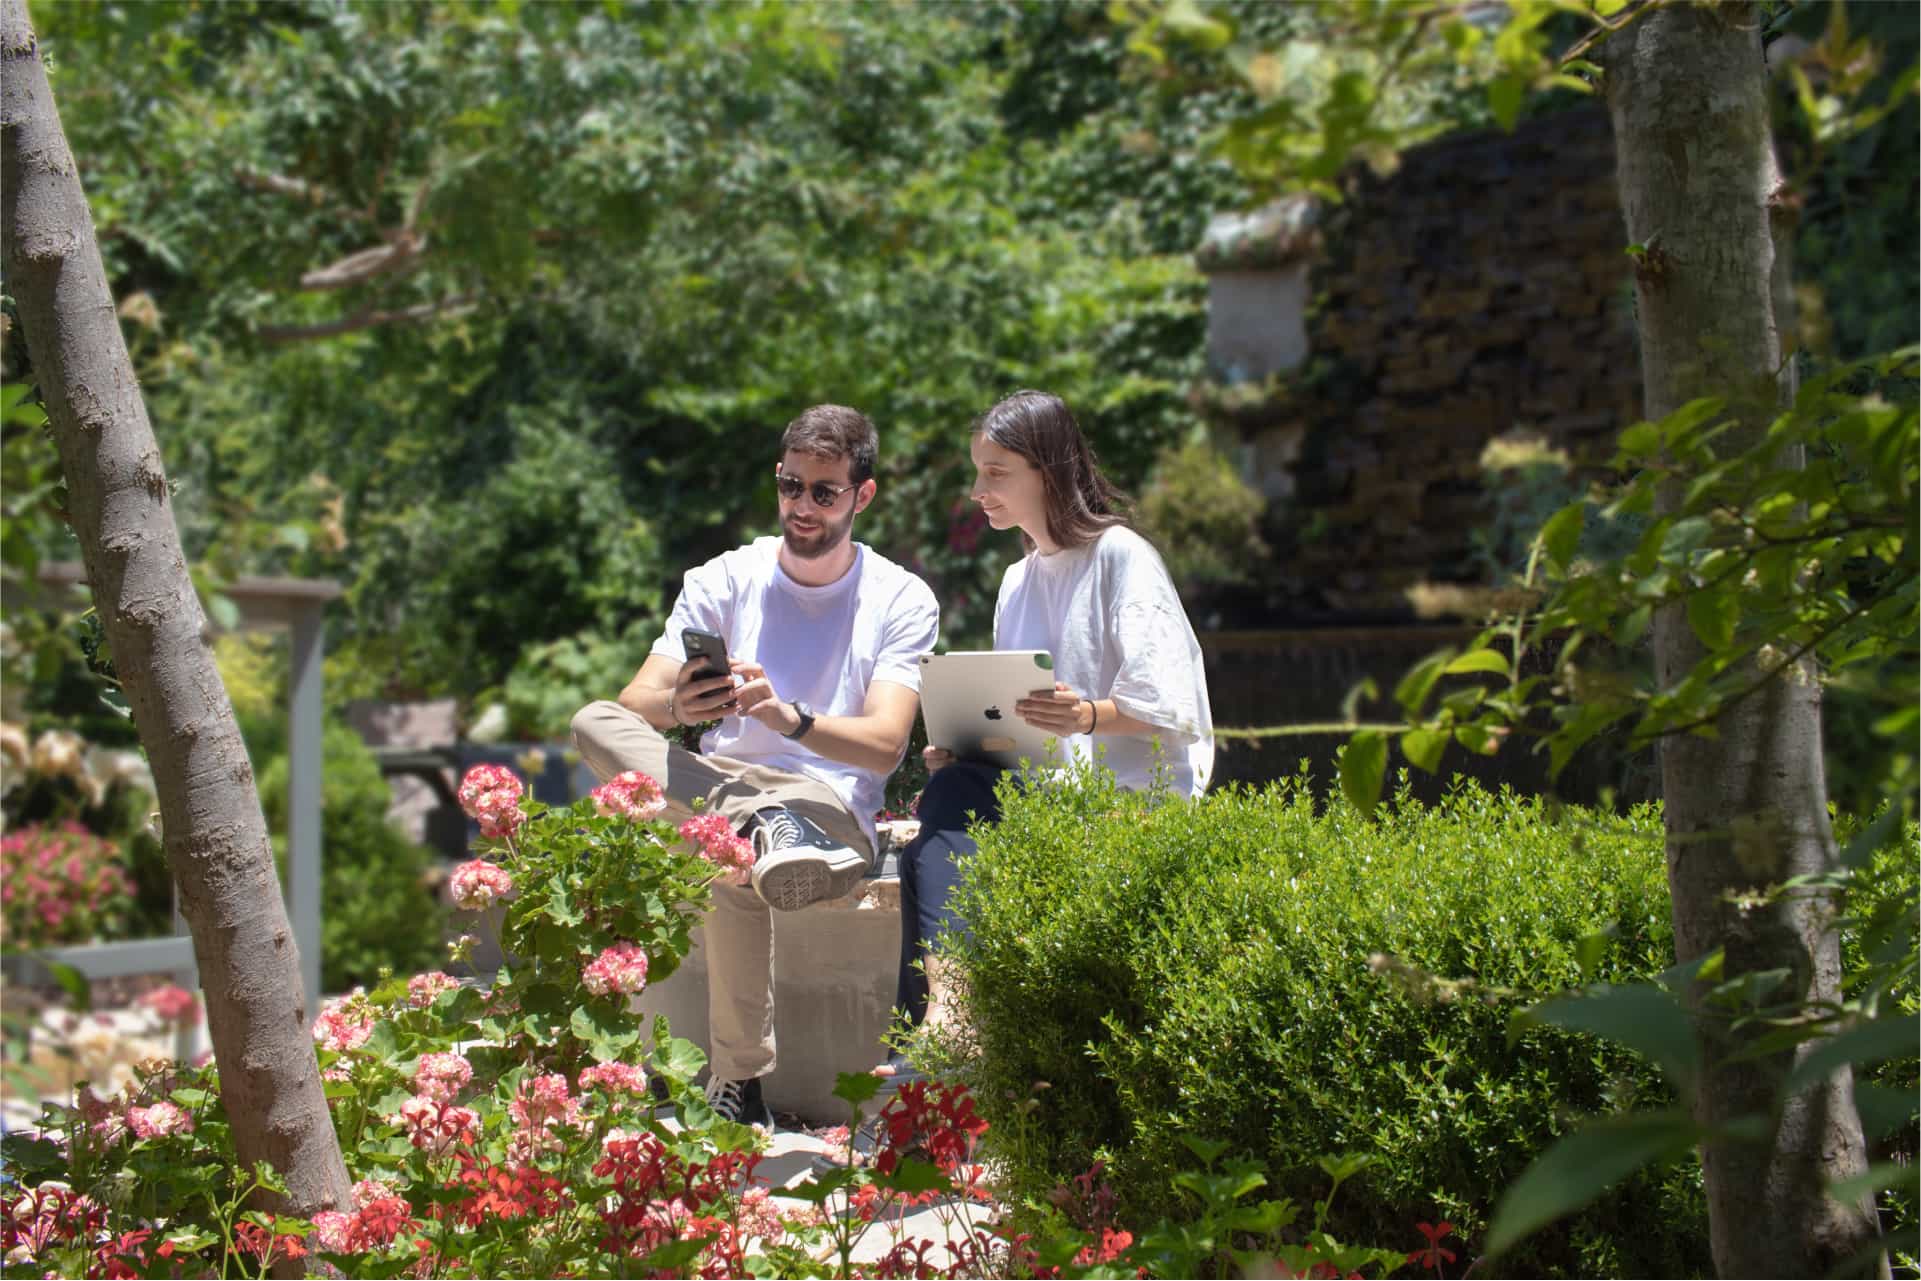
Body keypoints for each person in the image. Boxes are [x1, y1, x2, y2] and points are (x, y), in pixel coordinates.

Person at [572, 404, 939, 1131]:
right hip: (726, 791)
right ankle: (758, 824)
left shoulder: (900, 597)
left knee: (728, 852)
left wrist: (788, 718)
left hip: (824, 810)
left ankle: (739, 1084)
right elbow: (634, 703)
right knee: (593, 720)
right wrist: (678, 704)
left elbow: (886, 744)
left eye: (823, 492)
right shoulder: (725, 576)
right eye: (789, 485)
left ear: (863, 495)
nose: (801, 505)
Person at [890, 389, 1214, 1060]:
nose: (978, 491)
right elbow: (1020, 725)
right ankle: (948, 1033)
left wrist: (1086, 716)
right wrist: (970, 746)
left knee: (933, 847)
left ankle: (934, 1055)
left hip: (1125, 803)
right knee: (943, 812)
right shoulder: (1017, 581)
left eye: (995, 472)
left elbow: (1171, 704)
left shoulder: (1120, 557)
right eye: (977, 471)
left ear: (1048, 471)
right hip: (1044, 798)